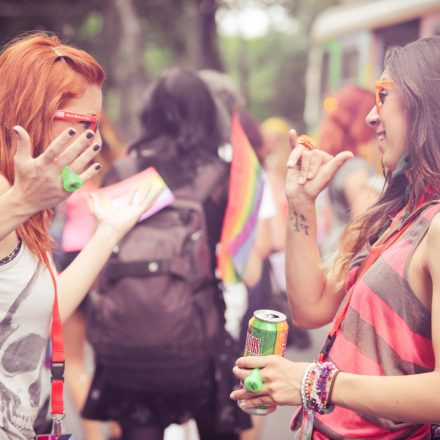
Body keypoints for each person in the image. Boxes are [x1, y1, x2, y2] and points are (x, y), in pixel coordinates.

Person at [231, 36, 440, 439]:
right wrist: (301, 204)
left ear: (427, 100)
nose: (370, 118)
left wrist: (314, 382)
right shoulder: (398, 212)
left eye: (383, 95)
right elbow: (311, 308)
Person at [0, 32, 161, 440]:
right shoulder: (14, 195)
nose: (95, 139)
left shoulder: (24, 193)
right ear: (35, 112)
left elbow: (43, 309)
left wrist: (109, 231)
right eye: (85, 123)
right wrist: (19, 203)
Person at [82, 67, 251, 440]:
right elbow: (239, 259)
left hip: (127, 343)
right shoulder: (221, 178)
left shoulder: (123, 171)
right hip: (197, 342)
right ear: (208, 115)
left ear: (151, 113)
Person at [317, 85, 383, 262]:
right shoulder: (356, 169)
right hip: (346, 264)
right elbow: (363, 230)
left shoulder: (333, 163)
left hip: (333, 254)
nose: (376, 118)